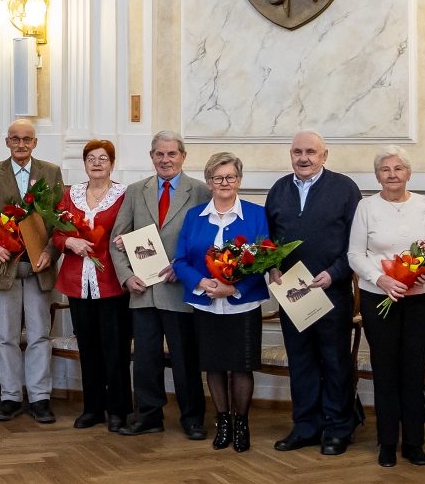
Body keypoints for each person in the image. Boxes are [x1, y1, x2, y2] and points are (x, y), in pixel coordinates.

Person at [269, 131, 363, 455]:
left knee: (335, 362)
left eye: (311, 151)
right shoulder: (279, 190)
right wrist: (272, 267)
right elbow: (268, 241)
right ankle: (306, 426)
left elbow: (357, 243)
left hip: (332, 292)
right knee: (301, 361)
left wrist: (335, 273)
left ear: (325, 155)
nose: (303, 157)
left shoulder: (345, 189)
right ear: (290, 154)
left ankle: (339, 427)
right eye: (297, 151)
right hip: (292, 293)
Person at [349, 147, 425, 467]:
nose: (392, 174)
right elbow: (355, 255)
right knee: (385, 370)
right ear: (377, 176)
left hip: (420, 297)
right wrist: (381, 280)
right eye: (385, 169)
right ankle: (387, 442)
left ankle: (414, 442)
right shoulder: (366, 207)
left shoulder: (424, 205)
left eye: (398, 168)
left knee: (414, 371)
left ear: (408, 174)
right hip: (379, 297)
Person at [173, 152, 270, 452]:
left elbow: (264, 259)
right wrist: (202, 283)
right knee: (214, 367)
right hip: (205, 304)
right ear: (209, 182)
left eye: (230, 177)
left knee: (241, 367)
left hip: (243, 305)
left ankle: (241, 424)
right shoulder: (194, 216)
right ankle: (223, 421)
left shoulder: (255, 214)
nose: (224, 183)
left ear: (239, 181)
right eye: (218, 178)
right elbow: (180, 261)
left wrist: (232, 289)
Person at [0, 119, 59, 422]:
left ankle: (40, 397)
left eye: (27, 139)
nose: (21, 144)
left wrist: (49, 251)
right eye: (15, 139)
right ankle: (10, 396)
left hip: (38, 268)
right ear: (7, 142)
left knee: (39, 335)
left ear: (35, 142)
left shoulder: (51, 172)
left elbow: (60, 221)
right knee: (6, 336)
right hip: (5, 268)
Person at [120, 132, 207, 437]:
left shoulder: (200, 191)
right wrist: (125, 276)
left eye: (172, 154)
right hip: (143, 291)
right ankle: (149, 416)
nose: (165, 160)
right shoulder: (135, 191)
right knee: (145, 359)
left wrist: (187, 270)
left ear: (183, 156)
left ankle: (193, 418)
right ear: (151, 156)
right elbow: (117, 240)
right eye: (160, 154)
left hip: (180, 290)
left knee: (185, 359)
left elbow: (209, 242)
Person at [58, 140, 135, 432]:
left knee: (115, 348)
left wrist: (124, 240)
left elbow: (137, 230)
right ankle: (92, 408)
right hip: (78, 283)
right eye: (91, 158)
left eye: (103, 158)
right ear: (85, 162)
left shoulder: (125, 194)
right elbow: (56, 233)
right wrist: (69, 241)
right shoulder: (71, 194)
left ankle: (118, 410)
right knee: (88, 346)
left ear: (112, 163)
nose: (97, 163)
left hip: (113, 282)